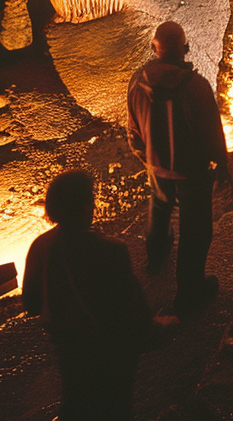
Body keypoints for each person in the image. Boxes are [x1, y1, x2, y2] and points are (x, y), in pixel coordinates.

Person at [23, 170, 156, 421]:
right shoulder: (112, 251)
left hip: (66, 346)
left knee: (75, 401)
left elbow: (30, 304)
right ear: (85, 208)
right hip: (109, 348)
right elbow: (134, 313)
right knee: (116, 404)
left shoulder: (39, 246)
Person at [127, 21, 233, 316]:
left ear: (153, 48)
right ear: (186, 49)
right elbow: (213, 132)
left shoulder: (138, 80)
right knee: (195, 227)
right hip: (192, 172)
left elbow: (133, 130)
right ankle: (190, 292)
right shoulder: (195, 86)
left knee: (160, 207)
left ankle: (155, 255)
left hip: (157, 166)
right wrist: (222, 164)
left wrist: (148, 159)